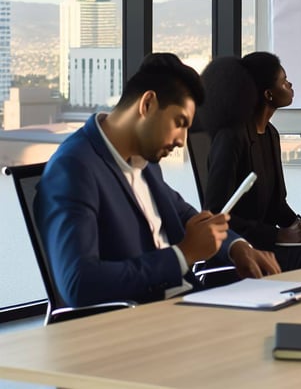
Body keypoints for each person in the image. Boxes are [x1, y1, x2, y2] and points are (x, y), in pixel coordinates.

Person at [34, 53, 280, 307]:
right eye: (179, 123)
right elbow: (78, 283)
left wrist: (237, 247)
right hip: (140, 324)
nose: (182, 141)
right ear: (148, 104)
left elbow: (186, 217)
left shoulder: (144, 163)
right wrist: (182, 255)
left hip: (188, 307)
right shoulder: (74, 169)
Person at [200, 52, 301, 271]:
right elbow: (216, 214)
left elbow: (277, 205)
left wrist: (298, 225)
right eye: (284, 81)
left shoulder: (270, 134)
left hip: (270, 241)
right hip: (243, 247)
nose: (290, 84)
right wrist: (278, 234)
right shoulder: (231, 138)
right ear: (268, 94)